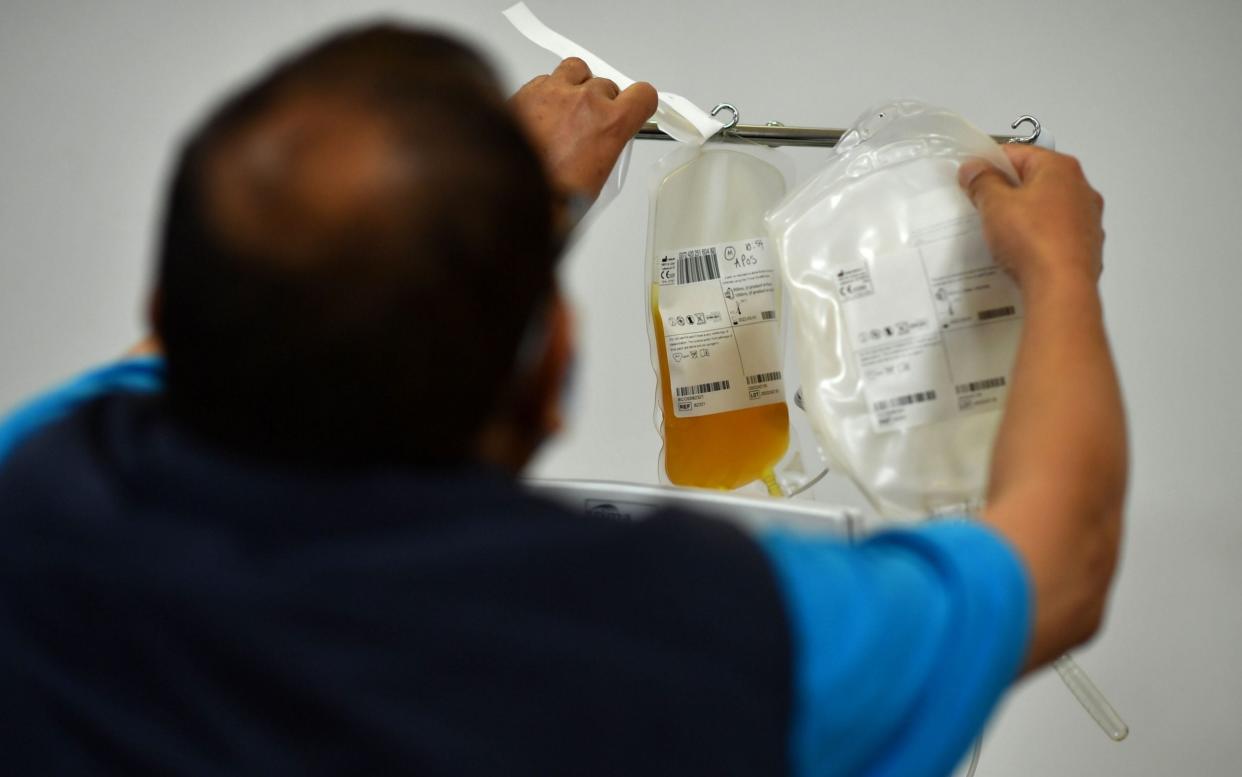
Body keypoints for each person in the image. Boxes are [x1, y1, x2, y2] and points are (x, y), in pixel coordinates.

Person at [0, 23, 1125, 777]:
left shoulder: (43, 485)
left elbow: (223, 316)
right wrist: (1058, 272)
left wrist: (500, 202)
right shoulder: (678, 627)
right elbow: (1055, 565)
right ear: (554, 374)